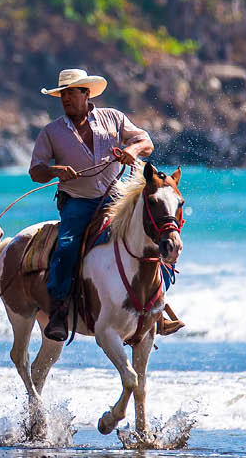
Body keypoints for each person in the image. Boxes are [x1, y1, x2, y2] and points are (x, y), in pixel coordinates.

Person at [29, 68, 183, 342]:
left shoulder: (113, 117)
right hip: (77, 203)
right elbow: (36, 171)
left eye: (70, 93)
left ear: (86, 94)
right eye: (62, 95)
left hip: (115, 198)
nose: (65, 99)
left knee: (157, 238)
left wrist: (131, 152)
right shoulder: (51, 132)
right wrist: (56, 171)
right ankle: (60, 310)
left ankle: (158, 308)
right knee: (66, 247)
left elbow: (144, 141)